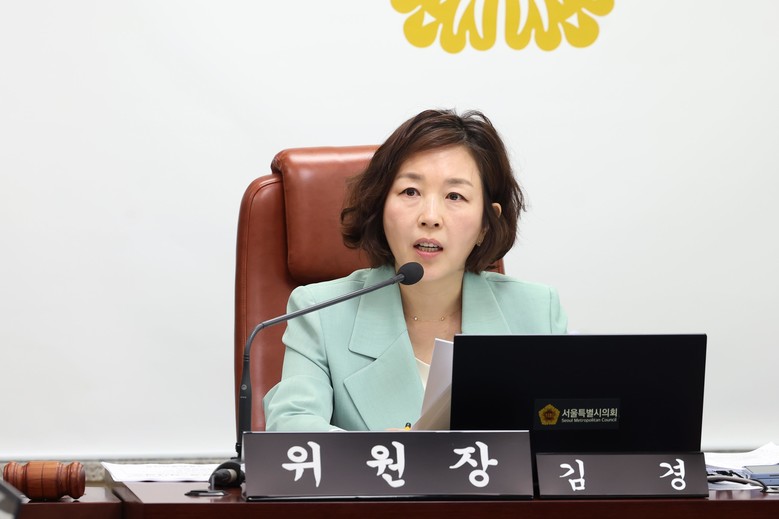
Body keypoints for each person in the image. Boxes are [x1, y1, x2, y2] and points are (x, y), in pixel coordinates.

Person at [263, 108, 567, 431]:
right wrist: (383, 451)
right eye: (410, 192)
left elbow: (567, 438)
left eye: (455, 196)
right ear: (381, 206)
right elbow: (290, 428)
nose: (430, 217)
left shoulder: (538, 313)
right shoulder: (319, 314)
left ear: (485, 225)